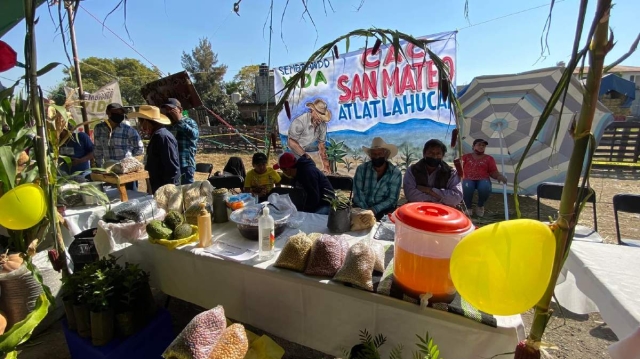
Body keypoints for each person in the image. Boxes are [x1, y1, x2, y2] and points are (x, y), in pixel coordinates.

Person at [129, 105, 180, 194]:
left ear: (146, 121)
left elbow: (172, 167)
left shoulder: (163, 137)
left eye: (141, 122)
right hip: (157, 184)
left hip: (165, 187)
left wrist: (168, 190)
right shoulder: (156, 135)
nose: (141, 126)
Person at [93, 103, 144, 190]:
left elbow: (139, 149)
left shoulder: (128, 130)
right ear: (108, 113)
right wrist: (99, 168)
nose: (120, 115)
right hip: (109, 172)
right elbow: (98, 150)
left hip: (126, 173)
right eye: (116, 112)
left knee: (131, 197)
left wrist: (131, 164)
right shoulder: (98, 129)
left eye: (121, 113)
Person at [353, 137, 402, 220]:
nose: (377, 157)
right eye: (374, 154)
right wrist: (366, 211)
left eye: (380, 154)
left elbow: (392, 199)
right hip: (361, 208)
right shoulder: (361, 169)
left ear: (386, 155)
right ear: (370, 156)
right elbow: (358, 193)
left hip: (383, 211)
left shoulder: (395, 173)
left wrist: (374, 210)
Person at [403, 139, 463, 206]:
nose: (434, 157)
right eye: (431, 153)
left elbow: (456, 197)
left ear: (443, 156)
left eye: (438, 154)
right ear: (424, 153)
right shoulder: (412, 170)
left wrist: (429, 190)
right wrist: (439, 198)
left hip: (442, 211)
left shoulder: (451, 172)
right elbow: (411, 195)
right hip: (417, 209)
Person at [461, 139, 508, 217]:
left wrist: (499, 176)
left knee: (485, 187)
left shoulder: (489, 159)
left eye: (483, 145)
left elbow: (493, 171)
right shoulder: (465, 157)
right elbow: (459, 168)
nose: (481, 147)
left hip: (483, 179)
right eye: (479, 145)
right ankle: (468, 207)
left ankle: (480, 206)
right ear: (473, 146)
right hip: (468, 178)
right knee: (467, 186)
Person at [287, 98, 331, 173]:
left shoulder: (322, 125)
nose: (320, 120)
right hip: (293, 150)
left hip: (305, 148)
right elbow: (291, 142)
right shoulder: (300, 122)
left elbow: (321, 146)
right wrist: (305, 156)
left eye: (321, 117)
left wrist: (326, 166)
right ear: (312, 111)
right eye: (318, 116)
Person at [161, 98, 199, 185]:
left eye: (171, 109)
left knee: (187, 191)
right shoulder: (167, 125)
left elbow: (194, 136)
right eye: (166, 109)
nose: (168, 111)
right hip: (171, 164)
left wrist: (179, 121)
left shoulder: (189, 121)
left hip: (185, 164)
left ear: (180, 109)